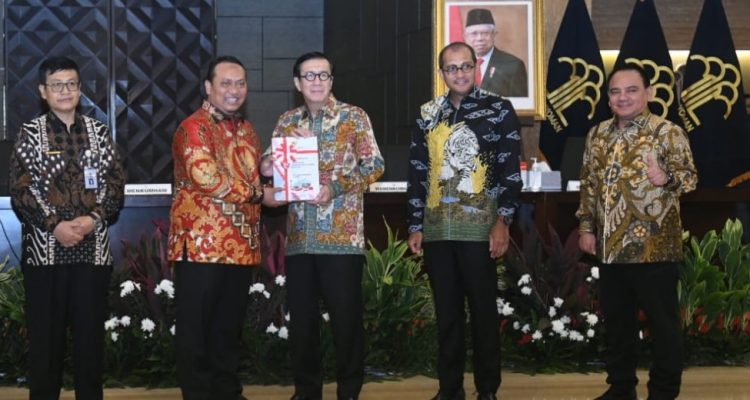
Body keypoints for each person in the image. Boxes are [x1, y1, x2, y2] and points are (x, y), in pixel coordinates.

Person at [260, 51, 384, 400]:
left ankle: (349, 391)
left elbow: (375, 165)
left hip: (342, 239)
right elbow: (269, 164)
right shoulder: (287, 121)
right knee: (302, 322)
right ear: (297, 82)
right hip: (300, 238)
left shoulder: (353, 117)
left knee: (346, 322)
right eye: (309, 76)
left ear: (332, 80)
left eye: (324, 75)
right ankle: (306, 391)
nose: (317, 82)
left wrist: (336, 188)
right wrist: (268, 164)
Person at [407, 42, 522, 400]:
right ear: (442, 73)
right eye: (452, 68)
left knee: (484, 314)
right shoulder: (428, 113)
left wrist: (503, 220)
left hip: (480, 230)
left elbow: (509, 171)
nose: (459, 73)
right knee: (448, 315)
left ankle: (487, 390)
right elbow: (418, 173)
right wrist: (415, 225)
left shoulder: (498, 109)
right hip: (437, 231)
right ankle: (450, 389)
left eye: (465, 66)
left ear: (476, 68)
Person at [577, 64, 698, 400]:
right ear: (608, 98)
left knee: (663, 326)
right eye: (615, 91)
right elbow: (588, 184)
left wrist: (665, 178)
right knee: (618, 325)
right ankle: (621, 388)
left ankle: (663, 392)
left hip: (654, 248)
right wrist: (586, 227)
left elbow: (690, 178)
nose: (623, 97)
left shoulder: (668, 132)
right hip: (610, 248)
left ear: (649, 93)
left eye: (631, 90)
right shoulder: (597, 134)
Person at [9, 56, 125, 399]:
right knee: (46, 347)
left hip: (92, 255)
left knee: (90, 345)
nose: (65, 91)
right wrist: (54, 225)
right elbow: (21, 190)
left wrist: (93, 218)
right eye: (57, 85)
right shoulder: (30, 133)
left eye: (71, 84)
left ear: (80, 89)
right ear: (43, 91)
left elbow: (116, 184)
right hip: (45, 257)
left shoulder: (99, 132)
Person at [168, 55, 274, 400]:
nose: (234, 90)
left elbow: (248, 175)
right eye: (225, 83)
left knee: (228, 329)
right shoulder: (193, 128)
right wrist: (261, 193)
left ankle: (228, 392)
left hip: (240, 248)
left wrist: (269, 169)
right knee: (196, 331)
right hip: (201, 246)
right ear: (208, 87)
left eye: (240, 83)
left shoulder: (247, 130)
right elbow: (207, 178)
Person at [463, 8, 528, 97]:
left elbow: (522, 103)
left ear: (494, 35)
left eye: (485, 33)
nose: (479, 38)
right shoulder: (459, 65)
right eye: (474, 33)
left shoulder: (513, 66)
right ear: (465, 37)